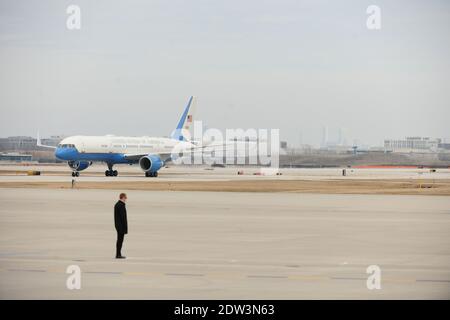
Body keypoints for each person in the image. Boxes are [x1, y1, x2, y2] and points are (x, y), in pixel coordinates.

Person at [114, 193, 128, 259]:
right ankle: (118, 254)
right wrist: (124, 227)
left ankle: (118, 253)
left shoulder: (117, 204)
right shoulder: (121, 205)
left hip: (118, 226)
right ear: (122, 197)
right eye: (125, 197)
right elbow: (123, 218)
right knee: (120, 241)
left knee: (119, 240)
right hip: (121, 227)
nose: (126, 199)